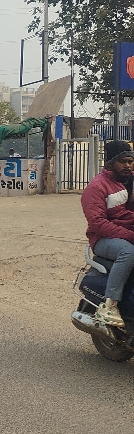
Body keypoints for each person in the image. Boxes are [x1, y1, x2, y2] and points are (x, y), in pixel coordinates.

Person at [81, 139, 134, 327]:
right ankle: (110, 305)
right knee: (128, 252)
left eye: (130, 161)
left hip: (127, 232)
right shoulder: (97, 187)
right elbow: (98, 224)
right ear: (110, 162)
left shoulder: (130, 182)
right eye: (122, 161)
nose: (127, 165)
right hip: (103, 239)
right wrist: (130, 236)